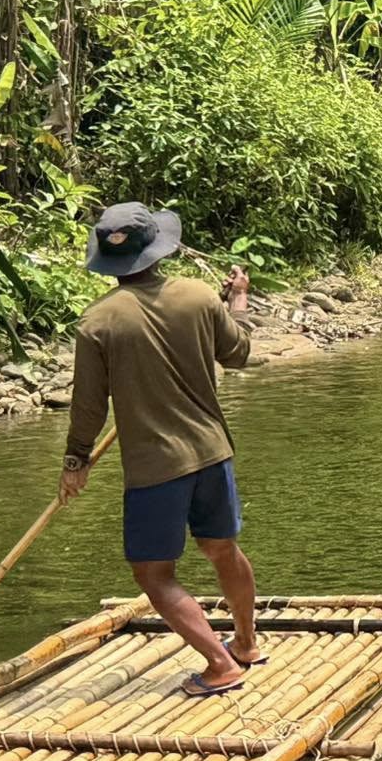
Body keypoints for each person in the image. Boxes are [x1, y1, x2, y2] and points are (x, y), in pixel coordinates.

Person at [58, 202, 259, 698]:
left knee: (153, 573)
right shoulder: (196, 297)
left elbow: (88, 407)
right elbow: (239, 352)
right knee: (221, 548)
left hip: (156, 467)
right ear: (158, 250)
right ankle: (246, 643)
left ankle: (220, 664)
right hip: (213, 453)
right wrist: (237, 299)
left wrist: (75, 462)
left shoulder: (98, 322)